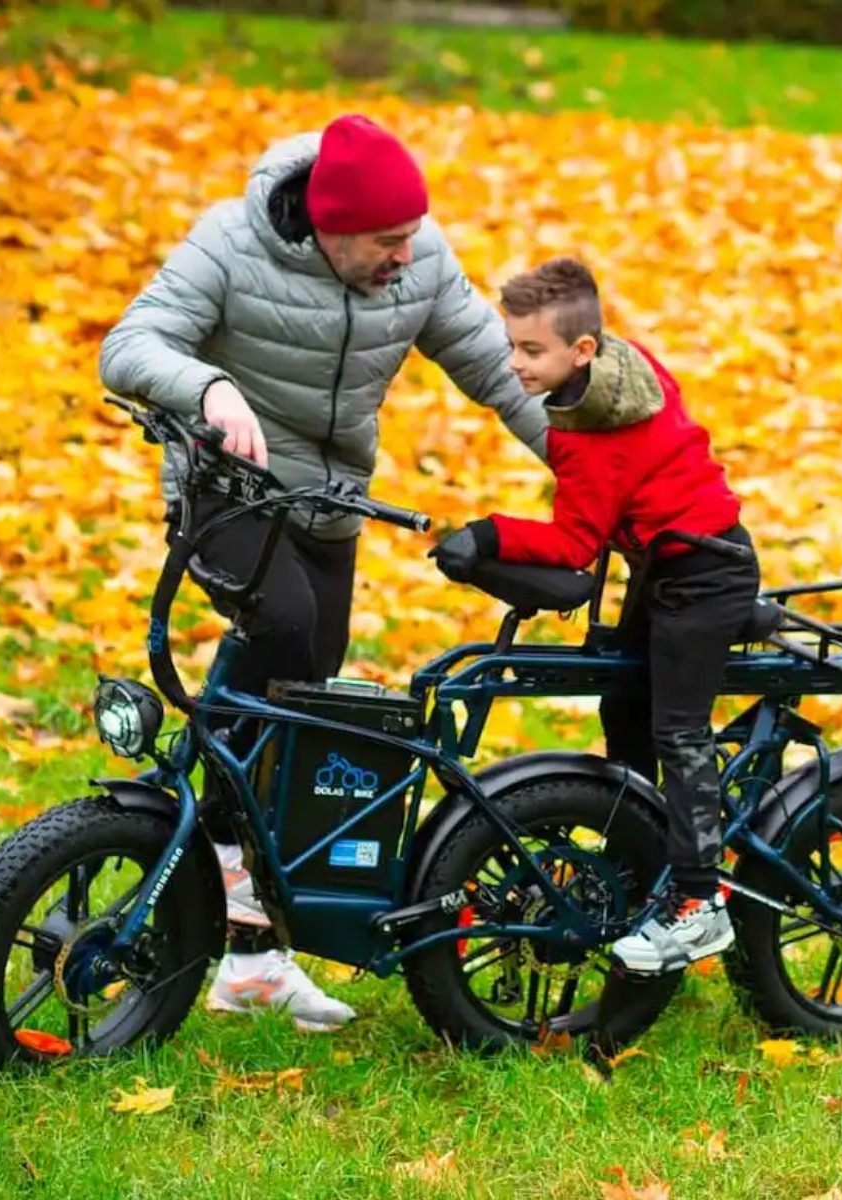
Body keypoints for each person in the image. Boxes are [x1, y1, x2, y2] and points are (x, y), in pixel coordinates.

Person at [98, 112, 551, 1031]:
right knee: (286, 631)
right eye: (386, 242)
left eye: (411, 237)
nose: (403, 257)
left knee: (305, 701)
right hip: (226, 491)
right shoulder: (232, 243)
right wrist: (209, 388)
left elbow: (500, 375)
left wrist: (599, 477)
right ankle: (218, 841)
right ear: (330, 225)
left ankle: (252, 952)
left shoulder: (417, 262)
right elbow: (128, 346)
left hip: (332, 502)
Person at [428, 257, 759, 975]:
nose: (513, 363)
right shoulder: (624, 373)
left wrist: (488, 535)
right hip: (670, 565)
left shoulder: (594, 439)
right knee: (624, 703)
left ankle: (700, 904)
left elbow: (575, 544)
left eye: (530, 350)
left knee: (678, 727)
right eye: (511, 344)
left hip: (703, 576)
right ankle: (640, 859)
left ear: (581, 351)